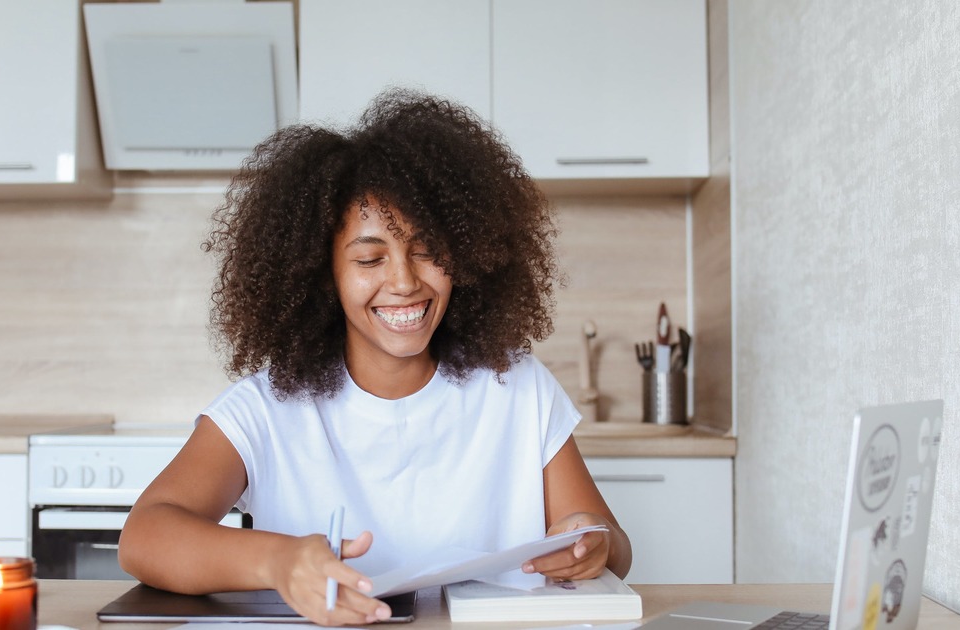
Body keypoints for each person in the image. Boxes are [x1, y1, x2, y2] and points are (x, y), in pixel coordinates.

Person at [118, 89, 631, 626]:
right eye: (369, 257)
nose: (405, 282)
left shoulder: (518, 386)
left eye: (428, 251)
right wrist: (279, 560)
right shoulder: (267, 409)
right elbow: (145, 535)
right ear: (323, 274)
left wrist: (592, 542)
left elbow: (610, 543)